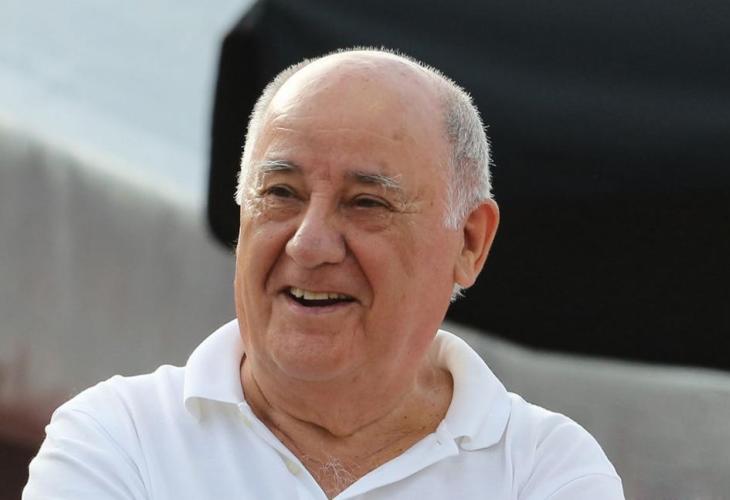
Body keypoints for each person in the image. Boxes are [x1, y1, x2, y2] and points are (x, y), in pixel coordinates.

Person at [24, 48, 624, 499]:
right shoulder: (120, 436)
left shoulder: (545, 470)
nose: (309, 244)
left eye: (366, 202)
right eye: (281, 193)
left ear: (469, 242)